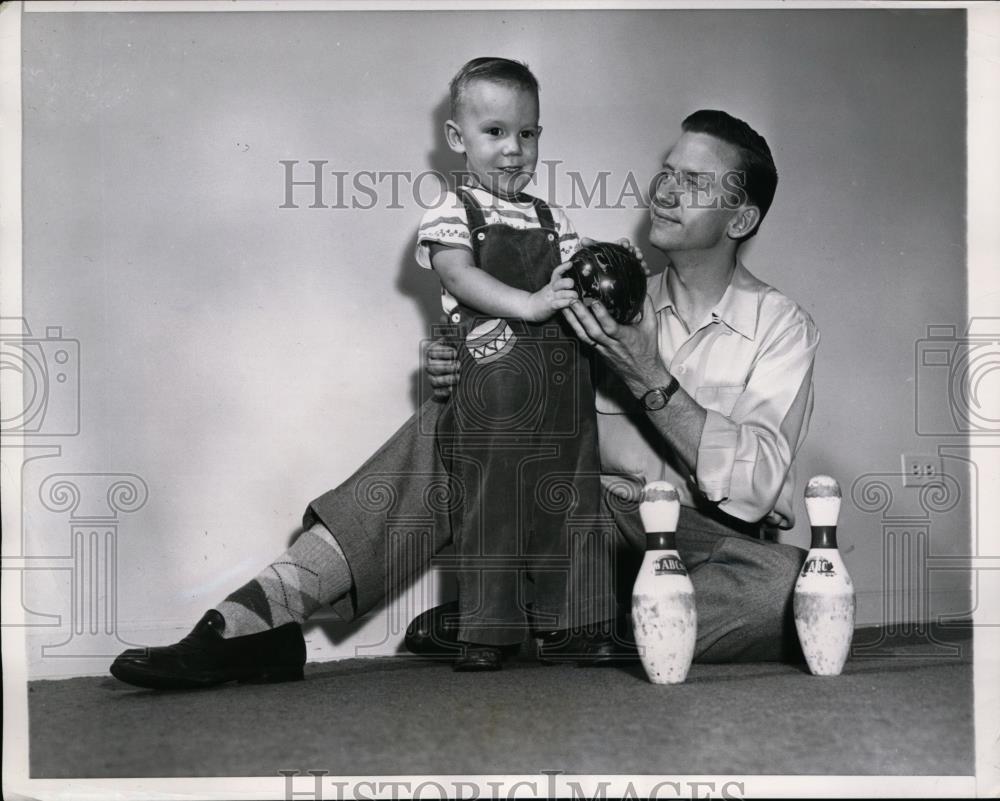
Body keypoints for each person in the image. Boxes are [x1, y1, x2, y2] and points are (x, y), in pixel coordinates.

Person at [109, 108, 817, 690]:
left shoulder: (780, 326)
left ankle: (530, 617)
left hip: (696, 552)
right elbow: (527, 395)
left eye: (693, 181)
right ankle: (258, 617)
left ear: (740, 219)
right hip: (584, 521)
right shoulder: (601, 289)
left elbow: (755, 490)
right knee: (469, 413)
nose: (664, 189)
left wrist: (646, 374)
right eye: (667, 170)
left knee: (786, 588)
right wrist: (465, 358)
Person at [413, 57, 624, 671]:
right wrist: (530, 305)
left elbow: (584, 280)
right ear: (458, 140)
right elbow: (459, 274)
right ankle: (487, 628)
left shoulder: (554, 218)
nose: (514, 150)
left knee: (572, 501)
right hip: (493, 386)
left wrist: (611, 270)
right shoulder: (453, 212)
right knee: (491, 502)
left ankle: (574, 624)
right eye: (495, 132)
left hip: (564, 389)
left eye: (527, 134)